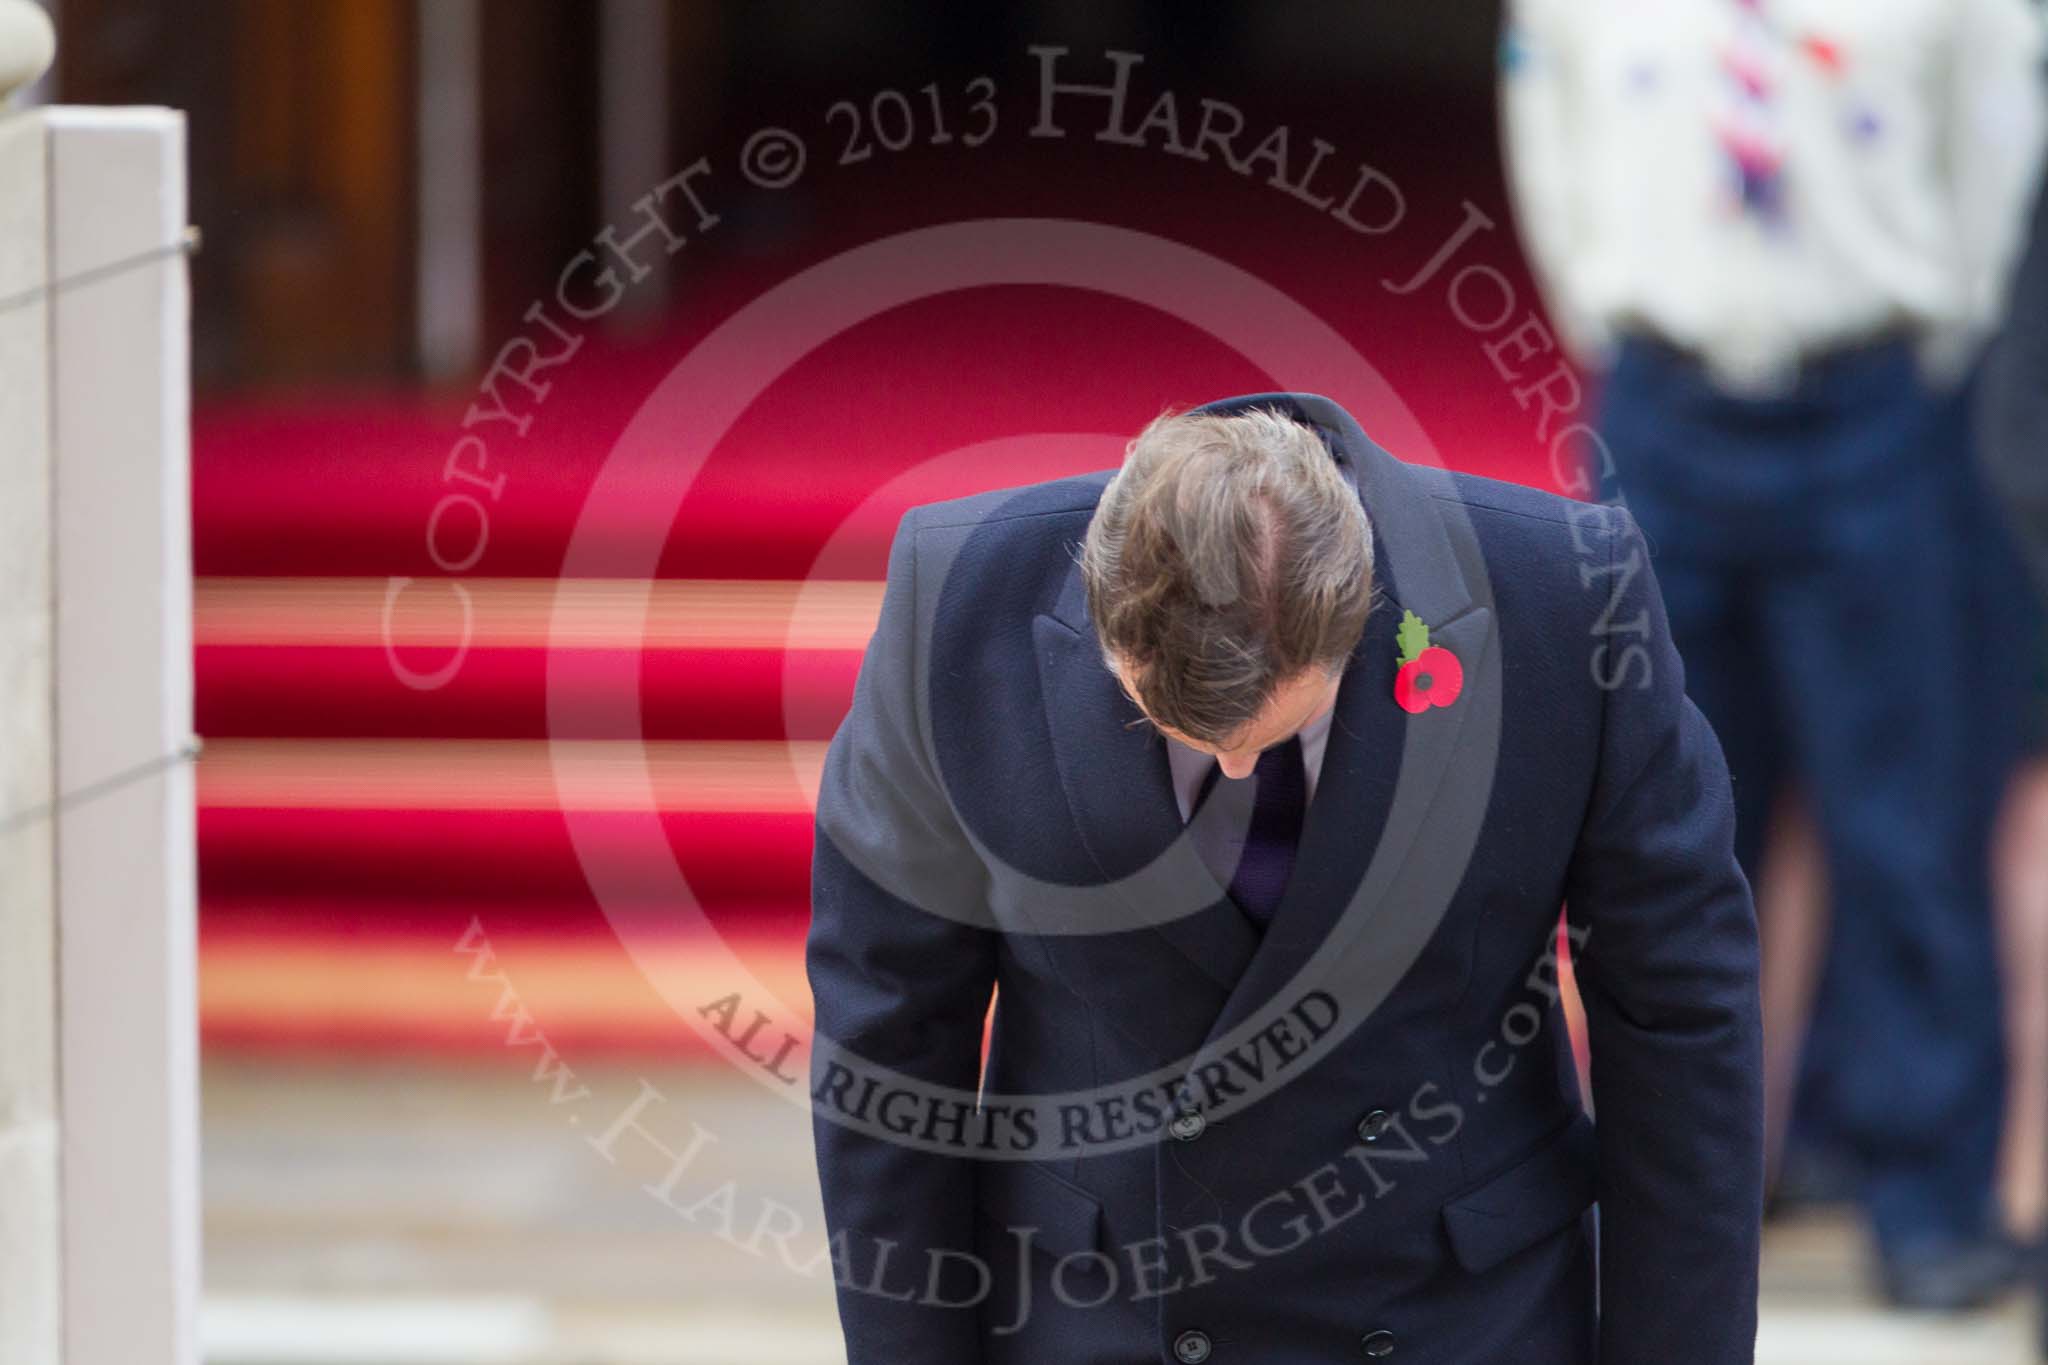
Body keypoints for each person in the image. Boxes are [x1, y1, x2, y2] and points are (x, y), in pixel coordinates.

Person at [806, 393, 1764, 1364]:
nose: (1231, 771)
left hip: (1457, 1313)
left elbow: (1676, 1007)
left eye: (1270, 733)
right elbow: (888, 1025)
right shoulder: (961, 598)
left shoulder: (1566, 596)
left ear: (1359, 606)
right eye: (1177, 730)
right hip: (1102, 1315)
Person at [1499, 0, 2048, 1310]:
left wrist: (1931, 335)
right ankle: (1660, 1183)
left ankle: (1923, 1197)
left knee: (1904, 816)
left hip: (1873, 401)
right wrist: (1617, 320)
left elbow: (1993, 153)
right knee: (1652, 823)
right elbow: (1551, 145)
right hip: (1667, 403)